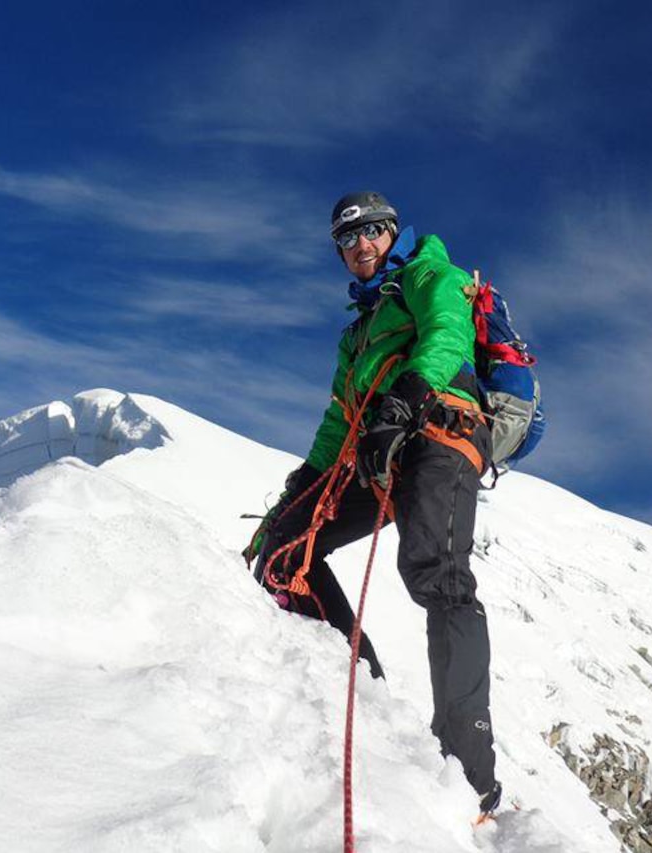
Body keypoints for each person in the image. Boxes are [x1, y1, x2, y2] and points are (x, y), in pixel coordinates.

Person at [251, 191, 502, 817]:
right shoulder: (357, 331)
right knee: (286, 545)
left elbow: (448, 336)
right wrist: (307, 480)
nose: (360, 246)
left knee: (436, 574)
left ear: (393, 233)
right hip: (379, 447)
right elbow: (341, 416)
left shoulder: (430, 274)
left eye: (371, 233)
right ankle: (361, 694)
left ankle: (472, 777)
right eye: (347, 239)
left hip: (441, 431)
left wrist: (406, 397)